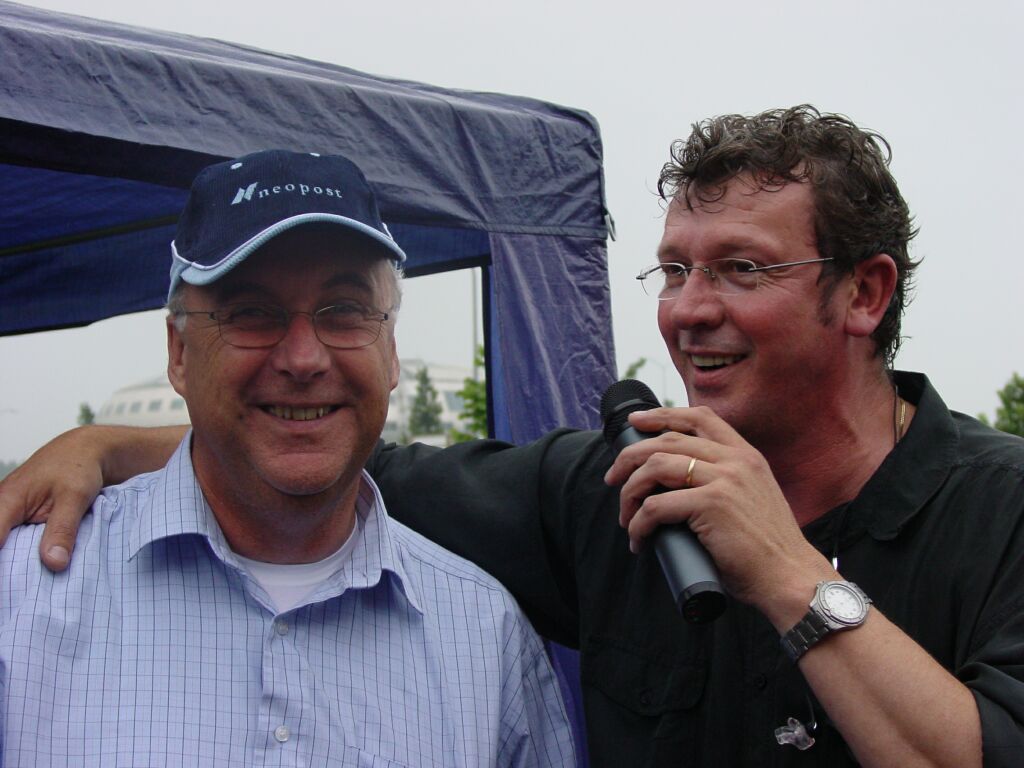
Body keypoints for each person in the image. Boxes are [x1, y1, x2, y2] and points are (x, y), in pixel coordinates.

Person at [3, 107, 1023, 766]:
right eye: (674, 271)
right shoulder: (606, 493)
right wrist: (107, 448)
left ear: (864, 293)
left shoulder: (1002, 511)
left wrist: (789, 574)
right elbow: (327, 457)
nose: (687, 310)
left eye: (740, 270)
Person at [0, 149, 575, 766]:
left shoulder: (487, 638)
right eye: (252, 313)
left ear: (390, 351)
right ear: (179, 352)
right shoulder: (21, 598)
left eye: (345, 310)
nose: (304, 359)